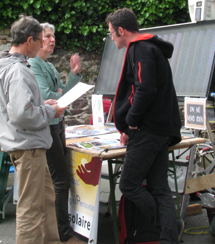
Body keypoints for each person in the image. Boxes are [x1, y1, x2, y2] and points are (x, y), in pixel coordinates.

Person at [106, 8, 184, 244]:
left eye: (111, 33)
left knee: (128, 184)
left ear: (121, 30)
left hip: (147, 130)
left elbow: (145, 89)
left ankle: (165, 224)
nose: (111, 37)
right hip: (161, 130)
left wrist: (131, 123)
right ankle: (170, 234)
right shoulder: (150, 48)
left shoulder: (140, 49)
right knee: (159, 186)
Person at [0, 15, 67, 244]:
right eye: (41, 40)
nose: (43, 44)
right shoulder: (18, 70)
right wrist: (50, 112)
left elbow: (17, 108)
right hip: (28, 146)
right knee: (32, 209)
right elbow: (22, 115)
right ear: (30, 40)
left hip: (25, 144)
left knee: (46, 200)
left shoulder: (6, 65)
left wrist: (43, 106)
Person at [28, 23, 85, 244]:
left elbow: (64, 94)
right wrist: (59, 93)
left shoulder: (48, 66)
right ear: (38, 39)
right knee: (60, 181)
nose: (53, 40)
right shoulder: (33, 65)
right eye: (48, 36)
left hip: (58, 123)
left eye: (54, 35)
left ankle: (61, 227)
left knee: (61, 179)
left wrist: (73, 74)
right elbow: (48, 95)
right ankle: (62, 231)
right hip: (48, 126)